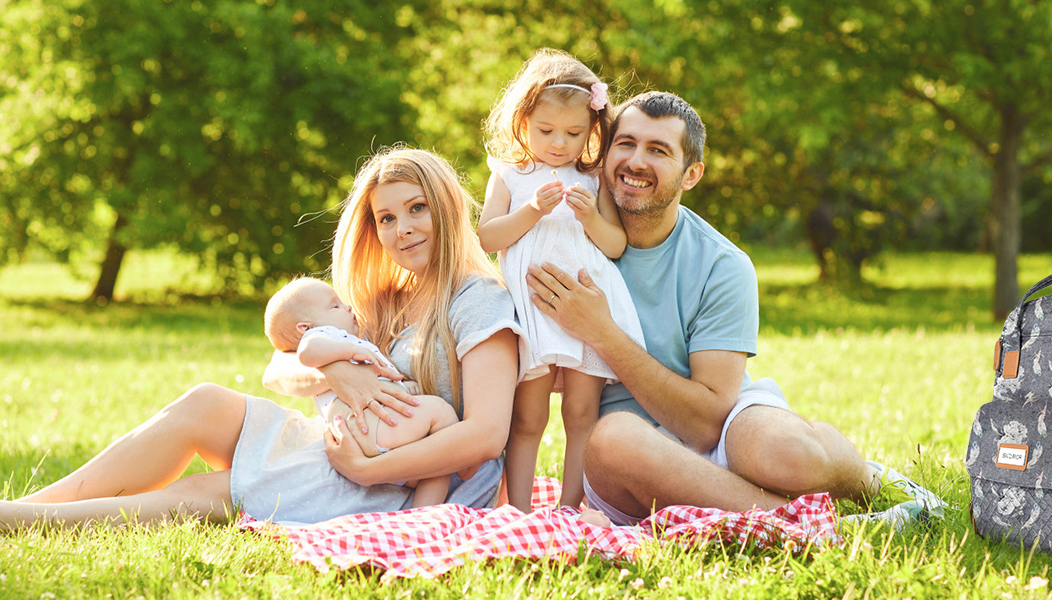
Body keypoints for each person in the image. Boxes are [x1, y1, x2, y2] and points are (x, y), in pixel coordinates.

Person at [0, 146, 521, 538]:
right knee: (206, 400)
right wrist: (339, 375)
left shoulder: (476, 300)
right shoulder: (385, 294)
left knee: (211, 494)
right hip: (351, 450)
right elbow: (283, 361)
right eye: (387, 216)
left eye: (417, 209)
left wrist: (370, 467)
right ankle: (1, 513)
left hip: (404, 482)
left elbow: (485, 436)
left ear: (447, 210)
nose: (402, 228)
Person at [526, 92, 931, 526]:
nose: (636, 162)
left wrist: (604, 333)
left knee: (786, 453)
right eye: (625, 144)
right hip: (631, 453)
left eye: (658, 150)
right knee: (614, 438)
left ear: (691, 174)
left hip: (722, 425)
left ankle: (871, 483)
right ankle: (813, 525)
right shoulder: (562, 239)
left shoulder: (722, 264)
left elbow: (705, 423)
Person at [478, 49, 645, 512]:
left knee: (580, 412)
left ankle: (572, 508)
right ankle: (517, 508)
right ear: (522, 122)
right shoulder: (511, 174)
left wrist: (591, 217)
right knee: (528, 415)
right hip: (533, 307)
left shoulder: (592, 179)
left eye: (573, 133)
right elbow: (488, 237)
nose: (558, 144)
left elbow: (614, 245)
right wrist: (532, 210)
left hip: (586, 306)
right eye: (545, 131)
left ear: (592, 130)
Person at [263, 276, 457, 508]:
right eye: (335, 306)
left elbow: (380, 382)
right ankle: (462, 470)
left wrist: (407, 388)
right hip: (367, 425)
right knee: (442, 413)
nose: (347, 307)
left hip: (369, 433)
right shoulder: (325, 337)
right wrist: (350, 351)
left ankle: (422, 516)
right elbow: (307, 352)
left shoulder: (344, 342)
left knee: (433, 468)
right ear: (306, 327)